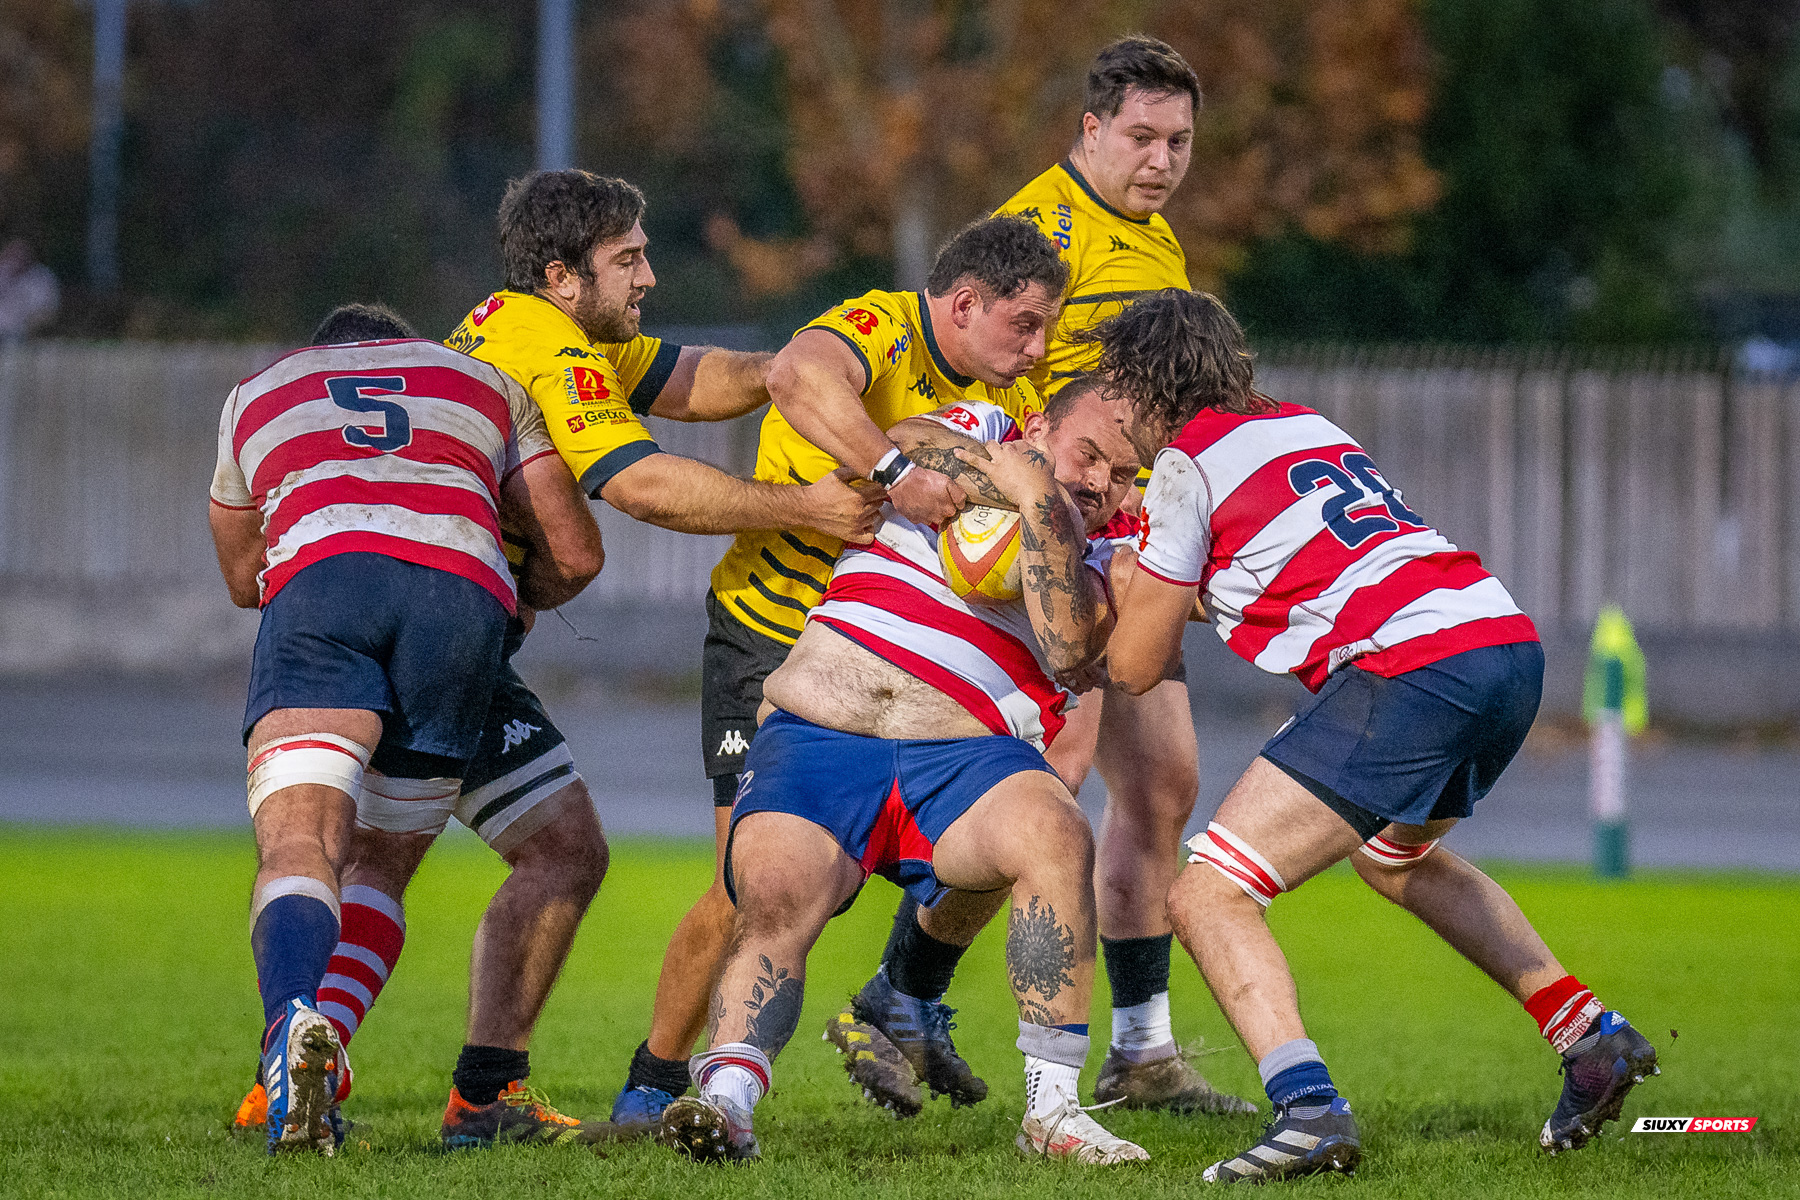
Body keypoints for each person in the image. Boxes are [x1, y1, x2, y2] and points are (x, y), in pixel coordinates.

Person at [231, 169, 880, 1146]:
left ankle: (366, 1074)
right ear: (562, 276)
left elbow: (686, 377)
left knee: (532, 849)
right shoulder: (542, 350)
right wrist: (808, 508)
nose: (650, 277)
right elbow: (636, 487)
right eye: (630, 259)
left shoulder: (514, 328)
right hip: (453, 621)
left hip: (368, 608)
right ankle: (429, 1087)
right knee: (409, 857)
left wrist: (795, 365)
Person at [1094, 289, 1660, 1182]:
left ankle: (1308, 1111)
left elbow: (1132, 666)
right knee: (1395, 860)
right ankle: (1590, 1036)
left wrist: (1125, 580)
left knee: (1207, 896)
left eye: (1114, 388)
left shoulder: (1183, 464)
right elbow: (1288, 571)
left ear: (1138, 384)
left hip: (1412, 669)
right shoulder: (1299, 424)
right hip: (1501, 643)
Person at [852, 35, 1247, 1115]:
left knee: (1158, 787)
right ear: (1090, 128)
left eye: (1179, 142)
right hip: (1053, 546)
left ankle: (1137, 1050)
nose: (1162, 160)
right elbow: (983, 364)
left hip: (1124, 536)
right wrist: (1001, 498)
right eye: (1142, 137)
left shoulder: (1155, 240)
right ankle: (905, 992)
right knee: (1047, 791)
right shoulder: (1044, 231)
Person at [609, 216, 1067, 1128]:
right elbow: (795, 375)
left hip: (898, 662)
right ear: (963, 305)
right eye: (1024, 325)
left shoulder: (1011, 397)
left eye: (1047, 329)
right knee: (746, 886)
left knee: (1031, 817)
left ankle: (906, 993)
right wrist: (895, 470)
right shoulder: (883, 325)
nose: (1038, 350)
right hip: (772, 637)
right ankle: (652, 1088)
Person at [658, 385, 1148, 1164]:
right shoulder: (982, 425)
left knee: (1056, 830)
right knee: (777, 891)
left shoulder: (1117, 551)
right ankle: (727, 1101)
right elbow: (907, 440)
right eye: (1089, 455)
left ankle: (1052, 1111)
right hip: (821, 730)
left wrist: (1044, 504)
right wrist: (1019, 480)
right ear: (1039, 426)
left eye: (1124, 474)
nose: (1100, 482)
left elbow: (1071, 647)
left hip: (966, 756)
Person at [208, 303, 604, 1155]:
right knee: (382, 865)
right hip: (459, 601)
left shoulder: (259, 390)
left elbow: (244, 577)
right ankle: (332, 1061)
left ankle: (293, 1035)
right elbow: (576, 554)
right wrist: (509, 594)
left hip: (326, 587)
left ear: (324, 353)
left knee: (303, 843)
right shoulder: (486, 382)